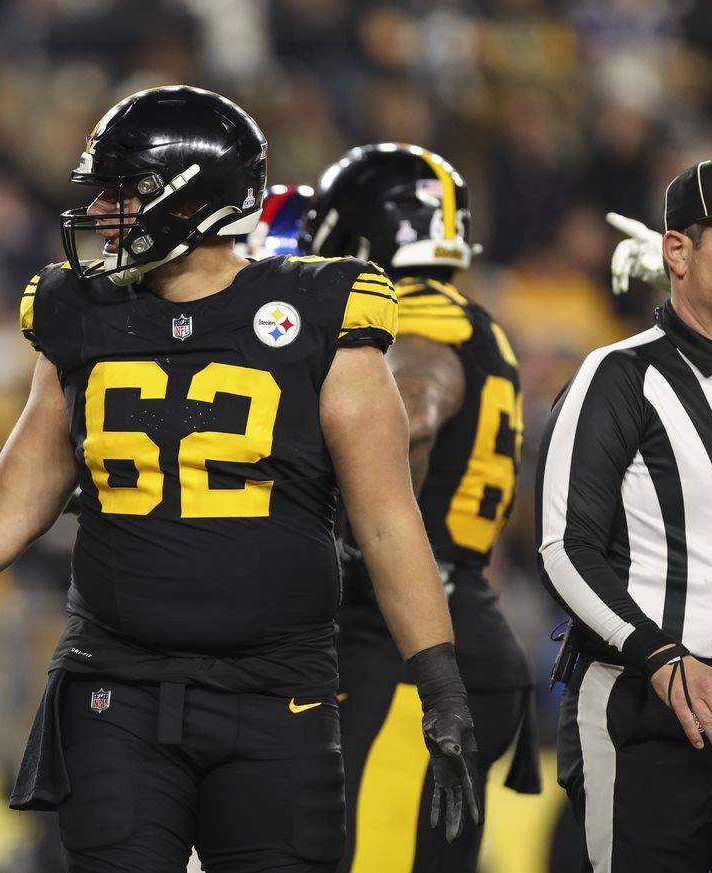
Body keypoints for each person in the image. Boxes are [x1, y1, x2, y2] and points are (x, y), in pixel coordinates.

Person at [0, 85, 480, 873]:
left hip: (278, 694)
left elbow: (389, 522)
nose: (107, 212)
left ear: (193, 199)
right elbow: (9, 508)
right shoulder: (80, 314)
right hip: (115, 690)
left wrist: (442, 688)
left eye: (127, 192)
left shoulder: (321, 311)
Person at [291, 143, 541, 873]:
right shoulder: (474, 318)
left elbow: (415, 408)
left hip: (405, 637)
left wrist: (340, 529)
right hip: (460, 619)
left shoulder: (412, 316)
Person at [539, 157, 712, 873]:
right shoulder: (621, 374)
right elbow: (566, 546)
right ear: (678, 251)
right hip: (648, 708)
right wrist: (662, 656)